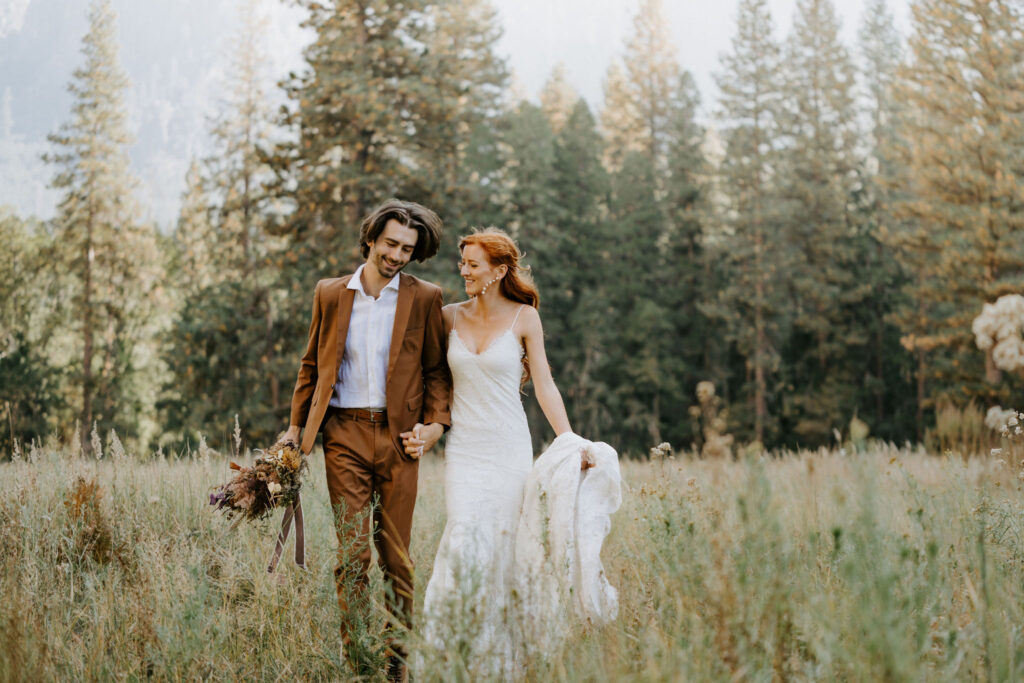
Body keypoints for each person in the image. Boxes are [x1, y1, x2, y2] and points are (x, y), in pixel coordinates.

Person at [283, 198, 451, 682]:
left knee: (396, 556)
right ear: (371, 240)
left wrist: (435, 428)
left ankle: (397, 665)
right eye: (391, 244)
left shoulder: (425, 297)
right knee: (353, 555)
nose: (397, 255)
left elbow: (437, 372)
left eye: (407, 249)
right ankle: (359, 663)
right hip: (343, 436)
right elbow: (311, 364)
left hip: (401, 441)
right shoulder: (331, 293)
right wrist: (295, 428)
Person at [418, 227, 577, 676]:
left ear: (500, 270)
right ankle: (452, 653)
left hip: (509, 447)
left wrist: (568, 441)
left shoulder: (525, 318)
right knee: (466, 536)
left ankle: (503, 661)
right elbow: (428, 378)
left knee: (504, 542)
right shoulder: (448, 316)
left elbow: (545, 385)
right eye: (462, 263)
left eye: (472, 264)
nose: (463, 271)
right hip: (465, 450)